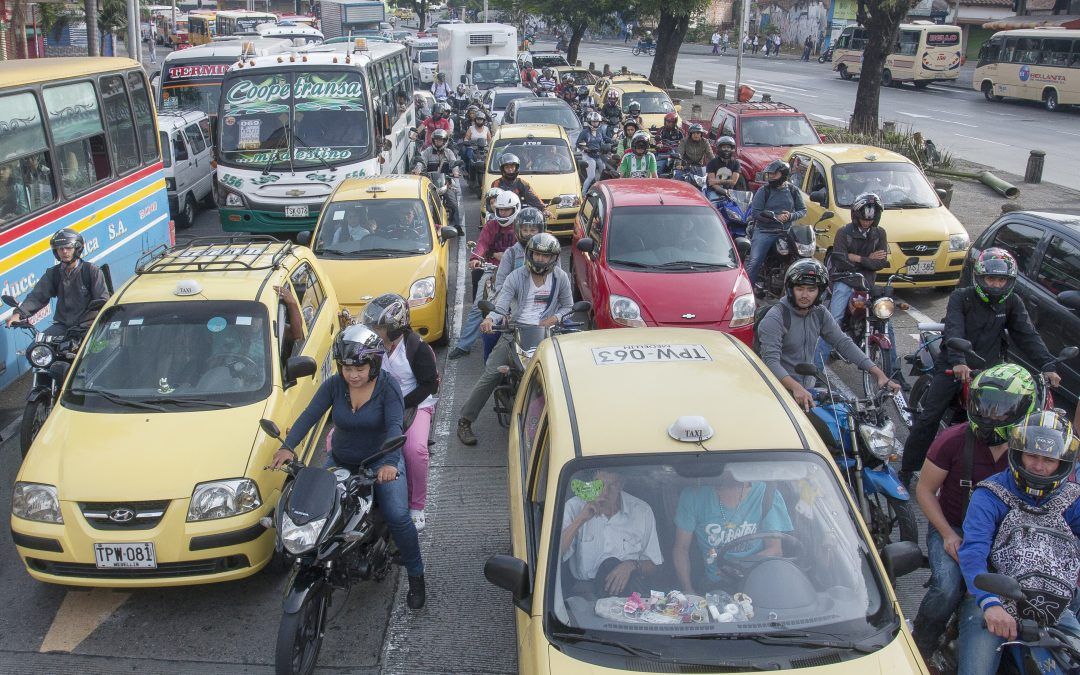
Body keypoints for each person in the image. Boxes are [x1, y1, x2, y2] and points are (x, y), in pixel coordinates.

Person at [270, 325, 425, 609]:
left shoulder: (388, 386)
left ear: (374, 363)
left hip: (380, 460)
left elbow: (394, 425)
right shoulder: (335, 385)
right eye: (346, 367)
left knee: (397, 514)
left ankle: (416, 575)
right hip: (341, 459)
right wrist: (287, 446)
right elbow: (309, 415)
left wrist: (389, 463)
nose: (353, 375)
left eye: (360, 367)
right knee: (320, 509)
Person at [900, 248, 1061, 489]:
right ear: (979, 277)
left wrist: (1048, 365)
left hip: (989, 370)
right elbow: (954, 329)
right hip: (954, 364)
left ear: (1009, 281)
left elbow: (1027, 335)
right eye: (991, 279)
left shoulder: (1012, 301)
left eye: (1001, 280)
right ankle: (906, 469)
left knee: (1003, 419)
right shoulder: (960, 297)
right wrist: (958, 361)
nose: (996, 285)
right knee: (928, 418)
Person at [910, 364, 1036, 661]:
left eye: (1002, 409)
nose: (991, 415)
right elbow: (925, 492)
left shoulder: (1029, 449)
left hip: (1008, 536)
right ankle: (920, 649)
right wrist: (948, 535)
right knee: (946, 588)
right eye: (985, 405)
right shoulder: (952, 440)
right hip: (954, 526)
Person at [957, 411, 1080, 675]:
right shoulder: (990, 494)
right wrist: (990, 603)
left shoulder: (1073, 498)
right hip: (992, 600)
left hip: (1054, 605)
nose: (1038, 466)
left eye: (1049, 459)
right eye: (1032, 456)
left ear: (1063, 462)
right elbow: (972, 552)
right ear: (1017, 453)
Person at [457, 233, 572, 446]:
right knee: (491, 373)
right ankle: (465, 420)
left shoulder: (560, 278)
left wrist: (554, 318)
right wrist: (490, 320)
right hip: (514, 333)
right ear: (529, 254)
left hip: (547, 336)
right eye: (536, 254)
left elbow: (568, 307)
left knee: (567, 376)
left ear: (554, 258)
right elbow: (501, 306)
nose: (540, 260)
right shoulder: (515, 277)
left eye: (545, 256)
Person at [756, 259, 899, 412]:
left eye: (811, 289)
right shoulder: (776, 318)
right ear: (790, 289)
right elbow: (771, 362)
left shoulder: (819, 313)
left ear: (820, 292)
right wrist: (796, 388)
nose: (805, 295)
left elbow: (843, 342)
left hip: (807, 390)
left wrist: (878, 373)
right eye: (800, 288)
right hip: (779, 392)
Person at [360, 295, 439, 533]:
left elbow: (429, 385)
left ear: (394, 328)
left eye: (379, 327)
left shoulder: (418, 348)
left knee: (415, 450)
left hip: (415, 404)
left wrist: (398, 404)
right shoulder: (371, 347)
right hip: (379, 402)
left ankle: (416, 506)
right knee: (337, 439)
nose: (374, 330)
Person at [673, 467, 793, 595]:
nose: (732, 471)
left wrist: (742, 566)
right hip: (716, 584)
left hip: (758, 577)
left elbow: (775, 550)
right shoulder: (693, 496)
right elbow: (681, 548)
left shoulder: (767, 494)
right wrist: (688, 590)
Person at [813, 192, 895, 372]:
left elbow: (880, 262)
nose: (867, 222)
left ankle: (894, 372)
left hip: (867, 283)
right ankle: (815, 369)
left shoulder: (879, 233)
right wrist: (867, 259)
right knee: (833, 321)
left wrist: (856, 257)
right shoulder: (844, 232)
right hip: (845, 280)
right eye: (863, 219)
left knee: (885, 318)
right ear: (856, 216)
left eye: (870, 220)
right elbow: (840, 260)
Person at [560, 468, 663, 597]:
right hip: (586, 593)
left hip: (628, 594)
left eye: (612, 485)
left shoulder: (642, 511)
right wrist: (580, 520)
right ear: (592, 482)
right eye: (600, 484)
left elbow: (654, 565)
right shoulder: (574, 506)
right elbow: (556, 554)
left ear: (621, 484)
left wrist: (631, 565)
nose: (605, 492)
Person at [6, 228, 109, 337]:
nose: (64, 251)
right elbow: (37, 297)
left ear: (77, 249)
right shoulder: (53, 273)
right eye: (60, 249)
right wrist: (18, 314)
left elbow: (102, 299)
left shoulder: (91, 271)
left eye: (68, 248)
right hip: (63, 326)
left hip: (88, 326)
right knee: (36, 348)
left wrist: (97, 312)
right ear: (56, 252)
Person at [745, 159, 806, 288]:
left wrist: (790, 216)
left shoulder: (793, 190)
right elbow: (756, 213)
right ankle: (746, 290)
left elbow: (802, 210)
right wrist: (775, 217)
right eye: (770, 174)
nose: (771, 177)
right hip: (764, 231)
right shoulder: (764, 191)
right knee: (755, 262)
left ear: (783, 174)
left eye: (774, 174)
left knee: (801, 259)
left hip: (786, 232)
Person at [413, 128, 462, 233]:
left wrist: (455, 172)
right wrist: (418, 170)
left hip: (445, 181)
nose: (438, 142)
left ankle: (457, 226)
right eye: (436, 140)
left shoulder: (449, 152)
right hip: (430, 182)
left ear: (445, 141)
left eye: (440, 140)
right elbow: (421, 162)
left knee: (453, 203)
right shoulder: (427, 152)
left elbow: (454, 163)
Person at [577, 111, 607, 193]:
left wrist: (614, 141)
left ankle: (602, 191)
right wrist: (586, 148)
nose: (595, 123)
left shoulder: (600, 131)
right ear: (589, 122)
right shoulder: (584, 132)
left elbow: (605, 138)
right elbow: (578, 143)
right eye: (593, 121)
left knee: (604, 172)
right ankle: (583, 193)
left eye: (597, 121)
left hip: (598, 155)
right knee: (591, 176)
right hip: (588, 155)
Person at [705, 135, 741, 200]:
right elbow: (711, 182)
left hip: (731, 192)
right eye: (724, 147)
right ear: (719, 148)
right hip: (714, 191)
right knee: (713, 206)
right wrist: (723, 191)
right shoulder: (712, 163)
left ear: (732, 149)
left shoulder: (736, 163)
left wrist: (717, 181)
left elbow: (733, 182)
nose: (726, 149)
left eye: (728, 147)